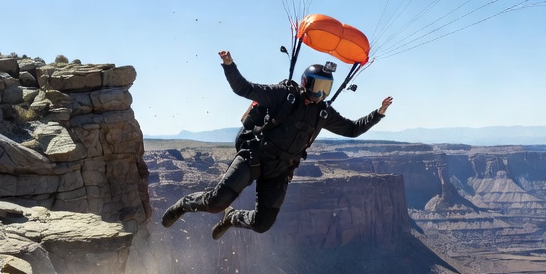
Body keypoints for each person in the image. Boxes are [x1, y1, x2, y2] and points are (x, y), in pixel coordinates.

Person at [161, 50, 393, 239]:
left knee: (262, 224)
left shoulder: (323, 113)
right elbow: (245, 88)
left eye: (326, 89)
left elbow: (352, 129)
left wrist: (378, 113)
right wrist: (229, 65)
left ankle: (232, 218)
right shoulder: (283, 94)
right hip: (254, 158)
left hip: (279, 172)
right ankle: (184, 204)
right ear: (305, 82)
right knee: (216, 203)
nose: (320, 94)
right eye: (317, 86)